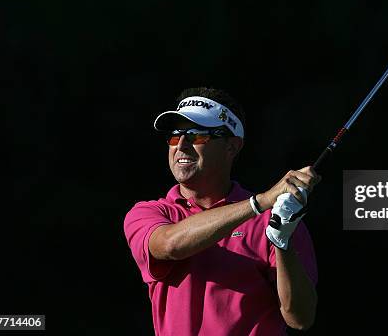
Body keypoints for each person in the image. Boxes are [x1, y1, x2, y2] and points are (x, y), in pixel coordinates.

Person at [124, 87, 320, 335]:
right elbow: (169, 245)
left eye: (197, 135)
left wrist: (282, 244)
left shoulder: (277, 220)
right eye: (174, 136)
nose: (181, 145)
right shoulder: (150, 213)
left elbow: (299, 318)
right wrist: (258, 204)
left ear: (231, 147)